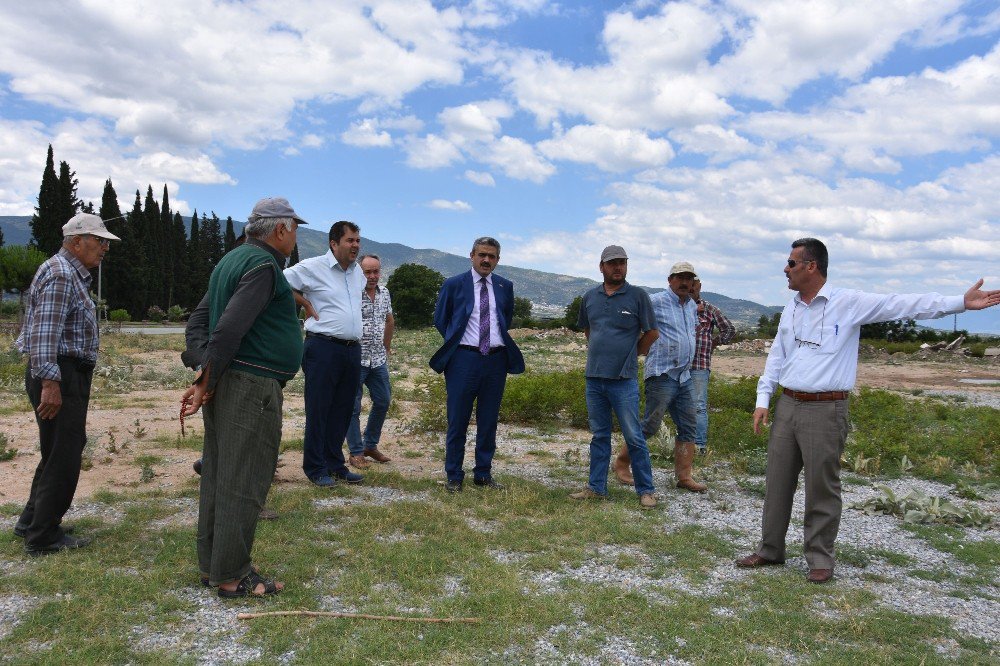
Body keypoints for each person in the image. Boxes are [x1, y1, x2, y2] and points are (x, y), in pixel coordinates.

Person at [736, 237, 1000, 584]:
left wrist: (959, 303)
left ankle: (819, 558)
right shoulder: (792, 308)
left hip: (825, 408)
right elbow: (777, 356)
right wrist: (763, 399)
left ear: (811, 266)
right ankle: (770, 550)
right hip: (788, 404)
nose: (785, 269)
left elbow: (901, 304)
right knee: (777, 482)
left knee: (821, 486)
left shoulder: (848, 303)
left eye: (791, 263)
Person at [181, 196, 306, 597]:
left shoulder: (230, 261)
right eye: (296, 228)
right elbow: (229, 329)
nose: (296, 236)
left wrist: (205, 369)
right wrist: (206, 377)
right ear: (281, 229)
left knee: (219, 472)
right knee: (244, 476)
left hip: (230, 380)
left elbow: (198, 323)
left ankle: (212, 566)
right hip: (251, 385)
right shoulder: (264, 266)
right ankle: (233, 575)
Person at [14, 213, 119, 555]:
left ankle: (33, 520)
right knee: (65, 453)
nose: (105, 248)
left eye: (106, 242)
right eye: (99, 241)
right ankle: (43, 535)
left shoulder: (65, 271)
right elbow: (45, 334)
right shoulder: (61, 274)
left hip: (62, 372)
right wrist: (50, 382)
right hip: (60, 373)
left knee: (56, 449)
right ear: (77, 241)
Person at [183, 235, 278, 521]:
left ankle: (241, 505)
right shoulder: (228, 283)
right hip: (234, 379)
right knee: (237, 446)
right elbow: (198, 325)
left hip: (252, 379)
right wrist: (205, 372)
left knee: (247, 446)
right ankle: (237, 511)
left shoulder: (265, 278)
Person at [430, 237, 525, 492]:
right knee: (457, 419)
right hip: (463, 359)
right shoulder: (454, 284)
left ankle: (483, 474)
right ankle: (453, 475)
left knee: (488, 420)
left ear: (498, 259)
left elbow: (505, 319)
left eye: (491, 256)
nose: (486, 260)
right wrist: (459, 343)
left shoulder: (505, 286)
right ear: (471, 255)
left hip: (496, 360)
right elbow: (441, 320)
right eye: (482, 254)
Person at [569, 245, 659, 509]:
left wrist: (632, 355)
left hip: (624, 380)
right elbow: (589, 330)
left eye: (622, 262)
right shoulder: (590, 297)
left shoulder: (638, 296)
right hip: (594, 378)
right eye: (612, 263)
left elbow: (652, 333)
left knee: (634, 436)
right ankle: (596, 488)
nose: (618, 267)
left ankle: (646, 490)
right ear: (601, 267)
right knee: (599, 435)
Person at [284, 221, 366, 488]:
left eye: (357, 240)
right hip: (323, 348)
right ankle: (315, 467)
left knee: (343, 410)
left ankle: (335, 464)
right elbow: (279, 281)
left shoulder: (358, 274)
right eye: (350, 240)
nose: (355, 245)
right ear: (334, 243)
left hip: (352, 349)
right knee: (319, 410)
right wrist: (305, 302)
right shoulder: (312, 267)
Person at [614, 261, 708, 493]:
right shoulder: (655, 301)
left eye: (688, 278)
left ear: (694, 282)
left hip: (684, 375)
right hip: (662, 373)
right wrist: (633, 350)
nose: (684, 281)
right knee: (650, 425)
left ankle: (684, 476)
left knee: (689, 426)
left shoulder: (690, 306)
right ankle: (622, 463)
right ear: (670, 280)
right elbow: (632, 323)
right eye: (679, 277)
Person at [345, 254, 394, 468]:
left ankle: (369, 445)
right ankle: (356, 452)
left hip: (378, 360)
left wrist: (387, 345)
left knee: (383, 400)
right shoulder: (352, 293)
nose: (373, 276)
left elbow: (389, 319)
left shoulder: (385, 293)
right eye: (368, 272)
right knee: (352, 407)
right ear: (360, 272)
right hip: (356, 358)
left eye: (376, 271)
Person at [690, 278, 736, 454]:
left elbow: (729, 329)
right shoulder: (678, 307)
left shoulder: (709, 309)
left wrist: (714, 342)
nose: (689, 288)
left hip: (700, 364)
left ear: (699, 286)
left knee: (699, 406)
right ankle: (684, 444)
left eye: (693, 284)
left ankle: (700, 446)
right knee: (680, 406)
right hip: (678, 365)